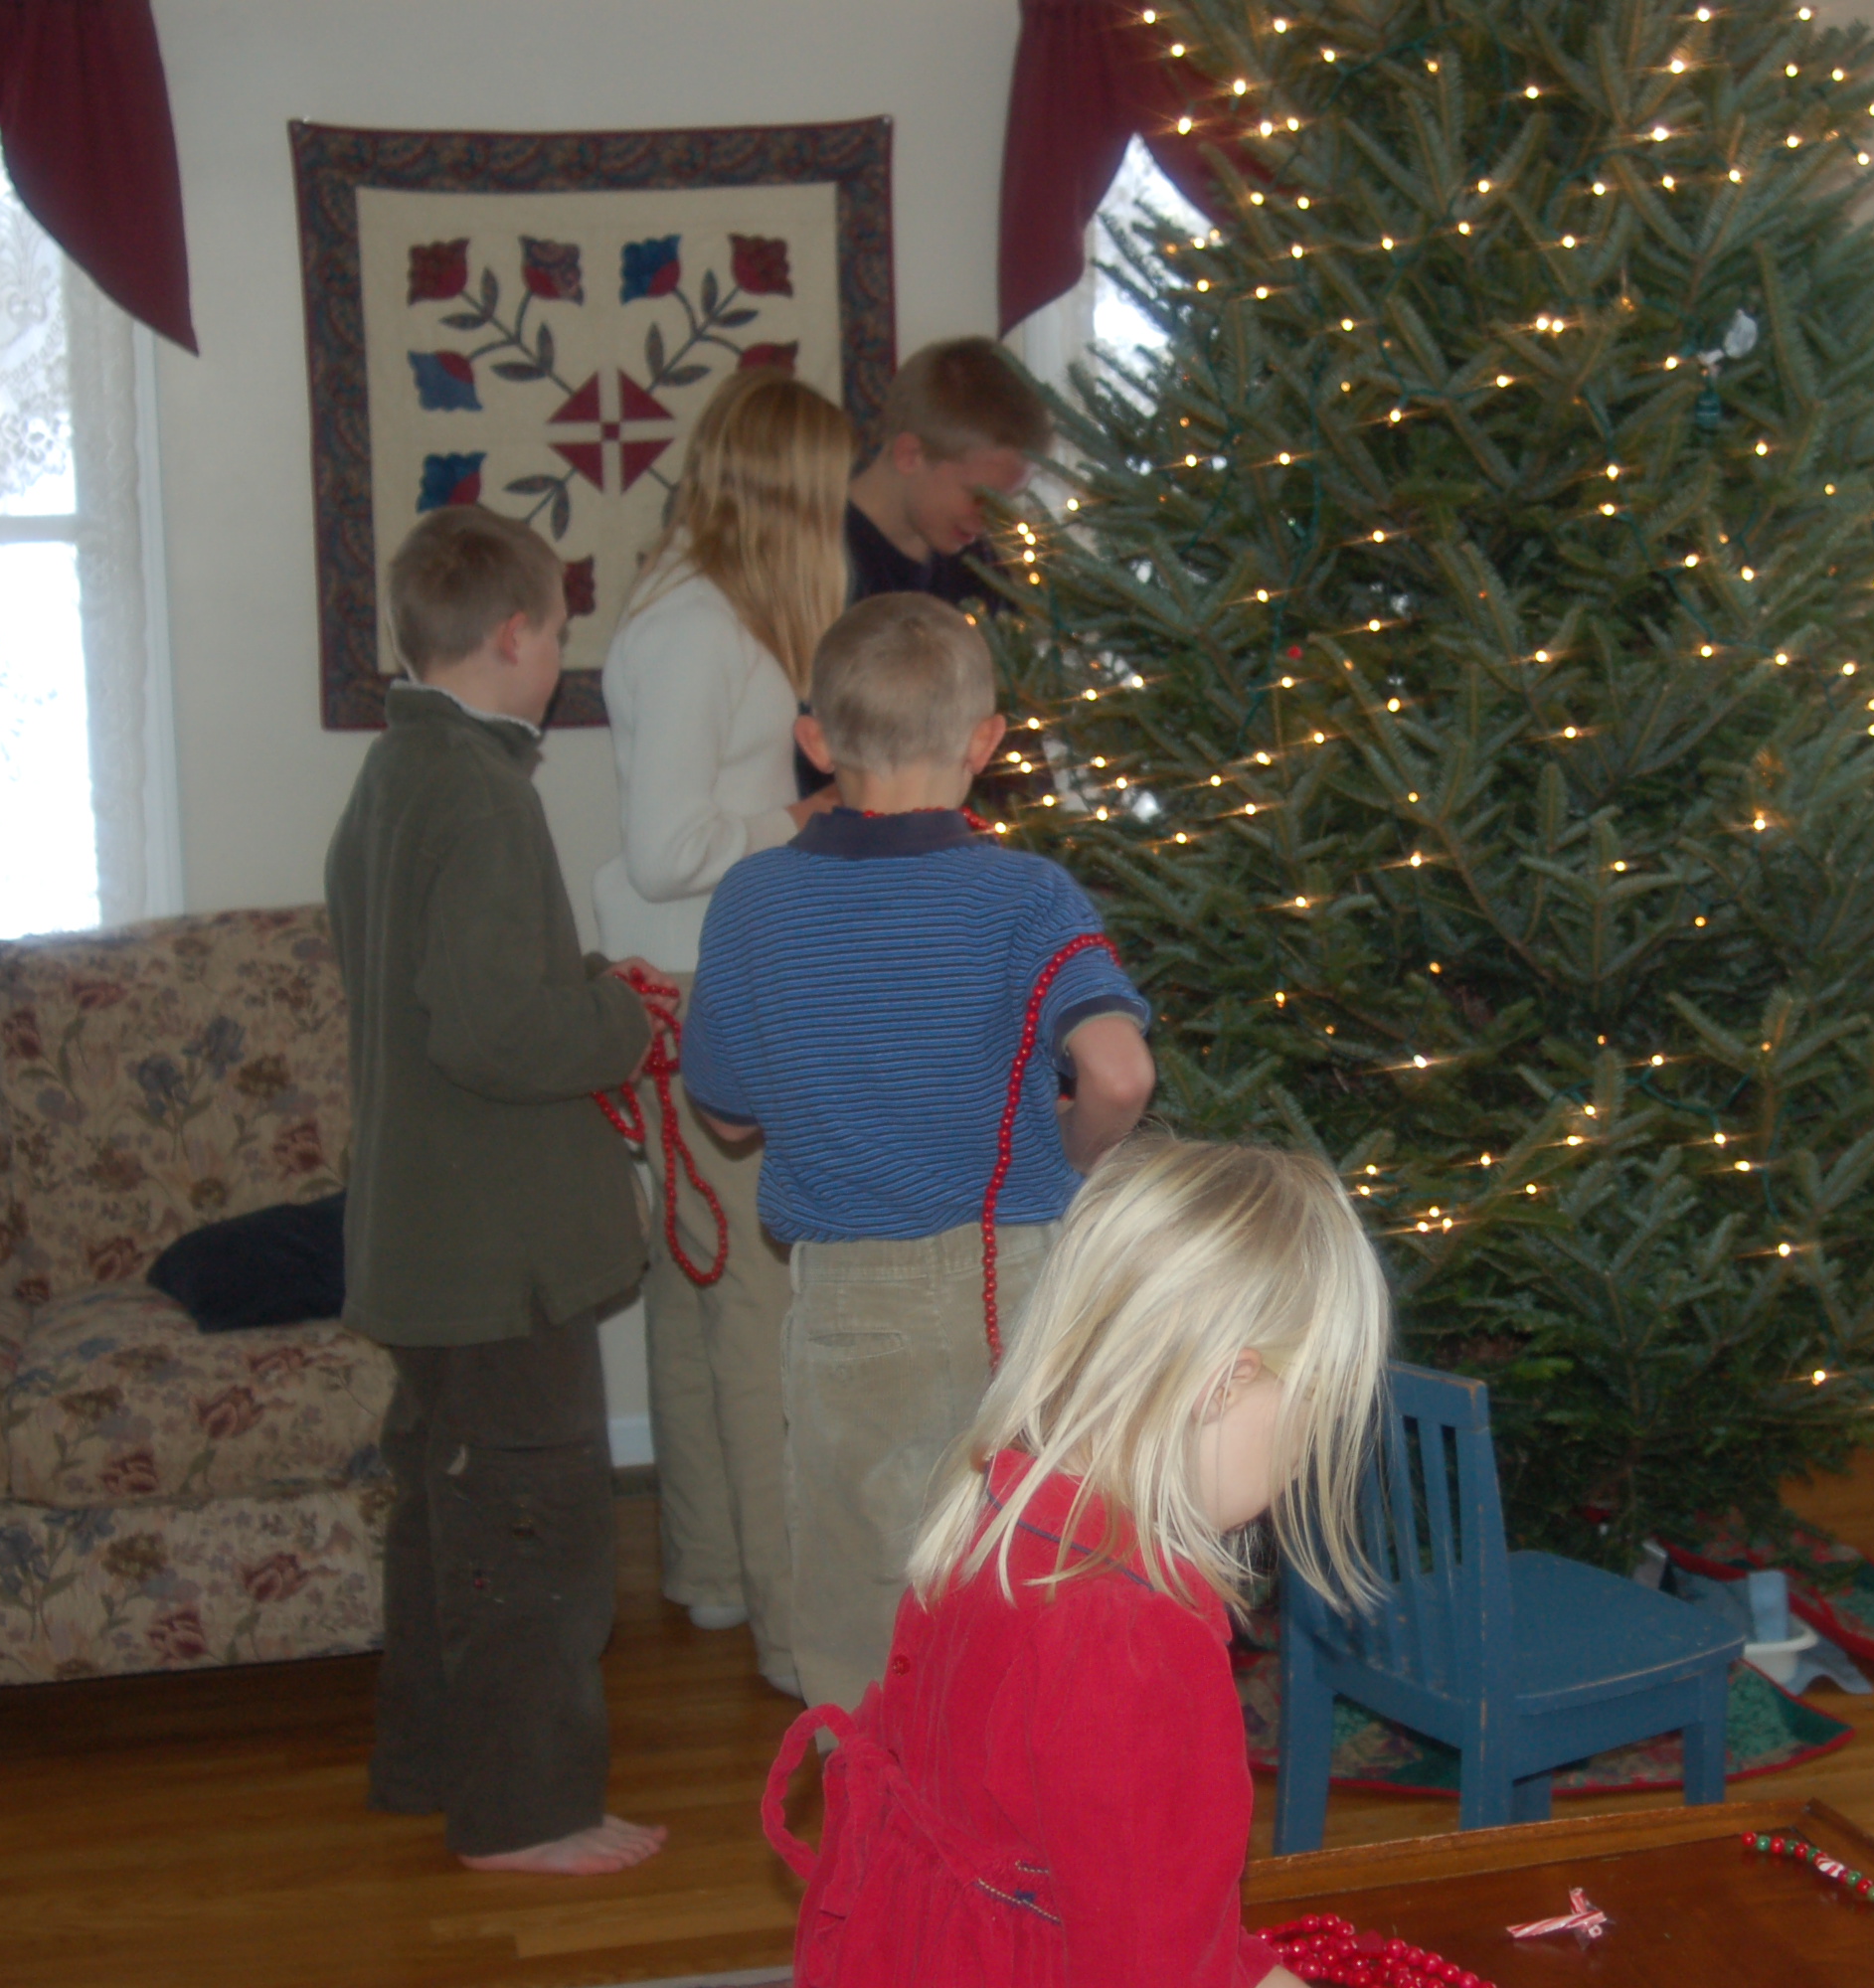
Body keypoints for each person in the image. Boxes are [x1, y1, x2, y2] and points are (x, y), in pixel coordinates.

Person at [764, 1134, 1389, 1987]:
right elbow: (1158, 1971)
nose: (1309, 1451)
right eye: (1317, 1406)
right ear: (1223, 1384)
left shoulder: (995, 1511)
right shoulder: (1136, 1641)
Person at [679, 590, 1155, 1713]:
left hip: (854, 1303)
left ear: (815, 741)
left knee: (864, 1610)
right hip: (1023, 1284)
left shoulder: (754, 900)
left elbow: (728, 1113)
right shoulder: (1029, 894)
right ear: (985, 742)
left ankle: (882, 1814)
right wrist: (1072, 1156)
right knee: (1031, 1579)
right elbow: (1120, 1072)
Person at [325, 504, 665, 1877]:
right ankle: (525, 1812)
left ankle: (426, 1765)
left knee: (446, 1520)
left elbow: (446, 994)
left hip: (427, 1239)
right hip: (495, 1253)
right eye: (562, 632)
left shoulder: (397, 773)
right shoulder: (481, 790)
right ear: (514, 634)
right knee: (532, 1528)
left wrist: (578, 986)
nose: (561, 658)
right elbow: (487, 1029)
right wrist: (620, 1021)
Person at [594, 369, 852, 1681]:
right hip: (699, 980)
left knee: (694, 1281)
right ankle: (791, 1627)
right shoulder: (699, 625)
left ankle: (707, 1575)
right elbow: (665, 849)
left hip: (695, 971)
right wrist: (795, 821)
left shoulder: (697, 608)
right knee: (751, 1293)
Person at [843, 335, 1053, 613]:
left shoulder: (981, 568)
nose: (989, 520)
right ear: (910, 456)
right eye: (979, 496)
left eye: (1003, 501)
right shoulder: (818, 556)